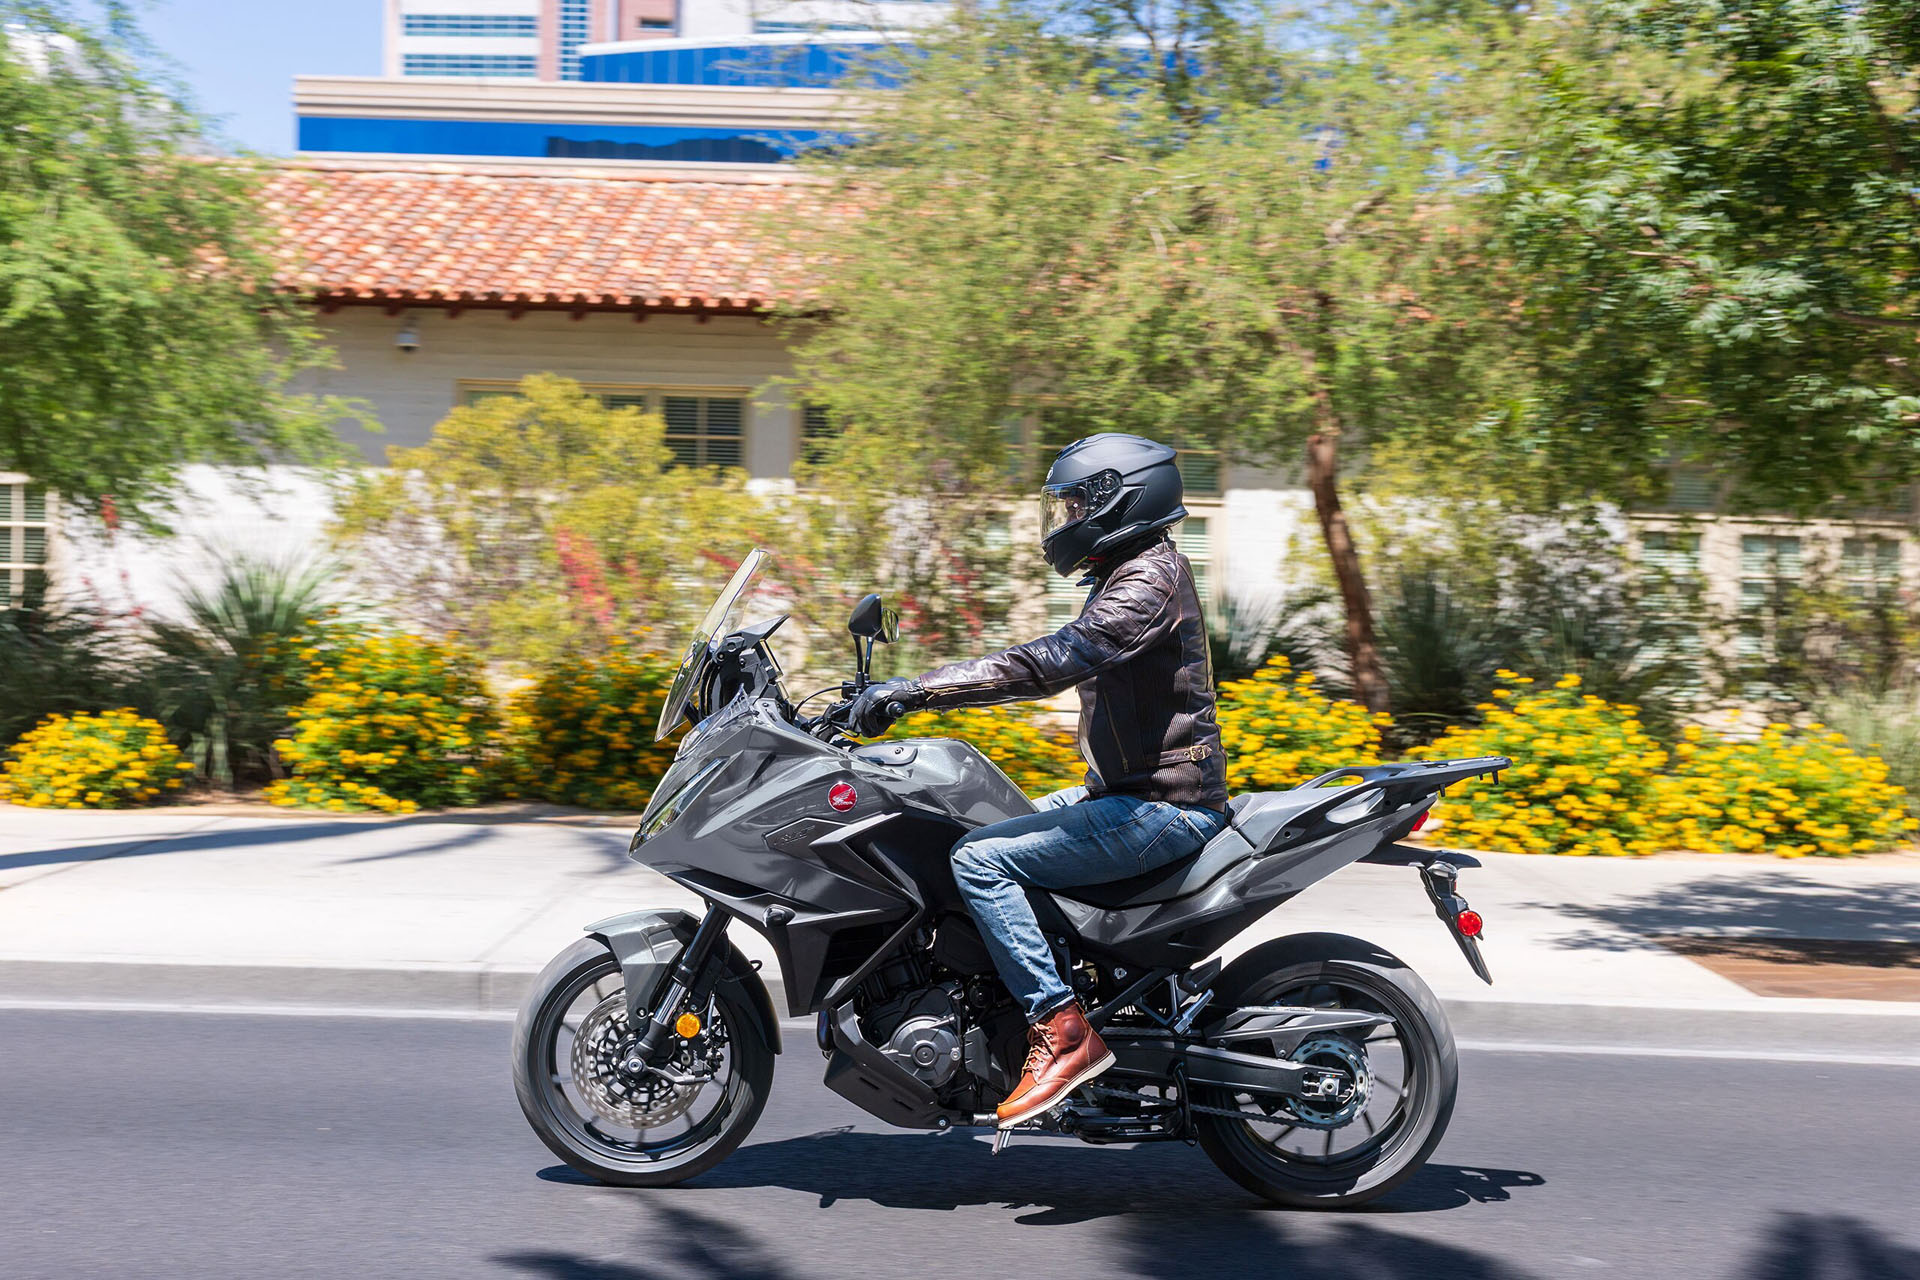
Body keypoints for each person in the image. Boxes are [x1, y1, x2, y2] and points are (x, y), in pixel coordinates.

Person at [844, 433, 1230, 1129]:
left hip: (1160, 805)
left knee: (980, 861)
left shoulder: (1146, 582)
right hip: (1128, 791)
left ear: (1122, 499)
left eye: (1079, 501)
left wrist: (917, 691)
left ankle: (1063, 1033)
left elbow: (1054, 660)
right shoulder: (1135, 571)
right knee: (976, 825)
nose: (1067, 515)